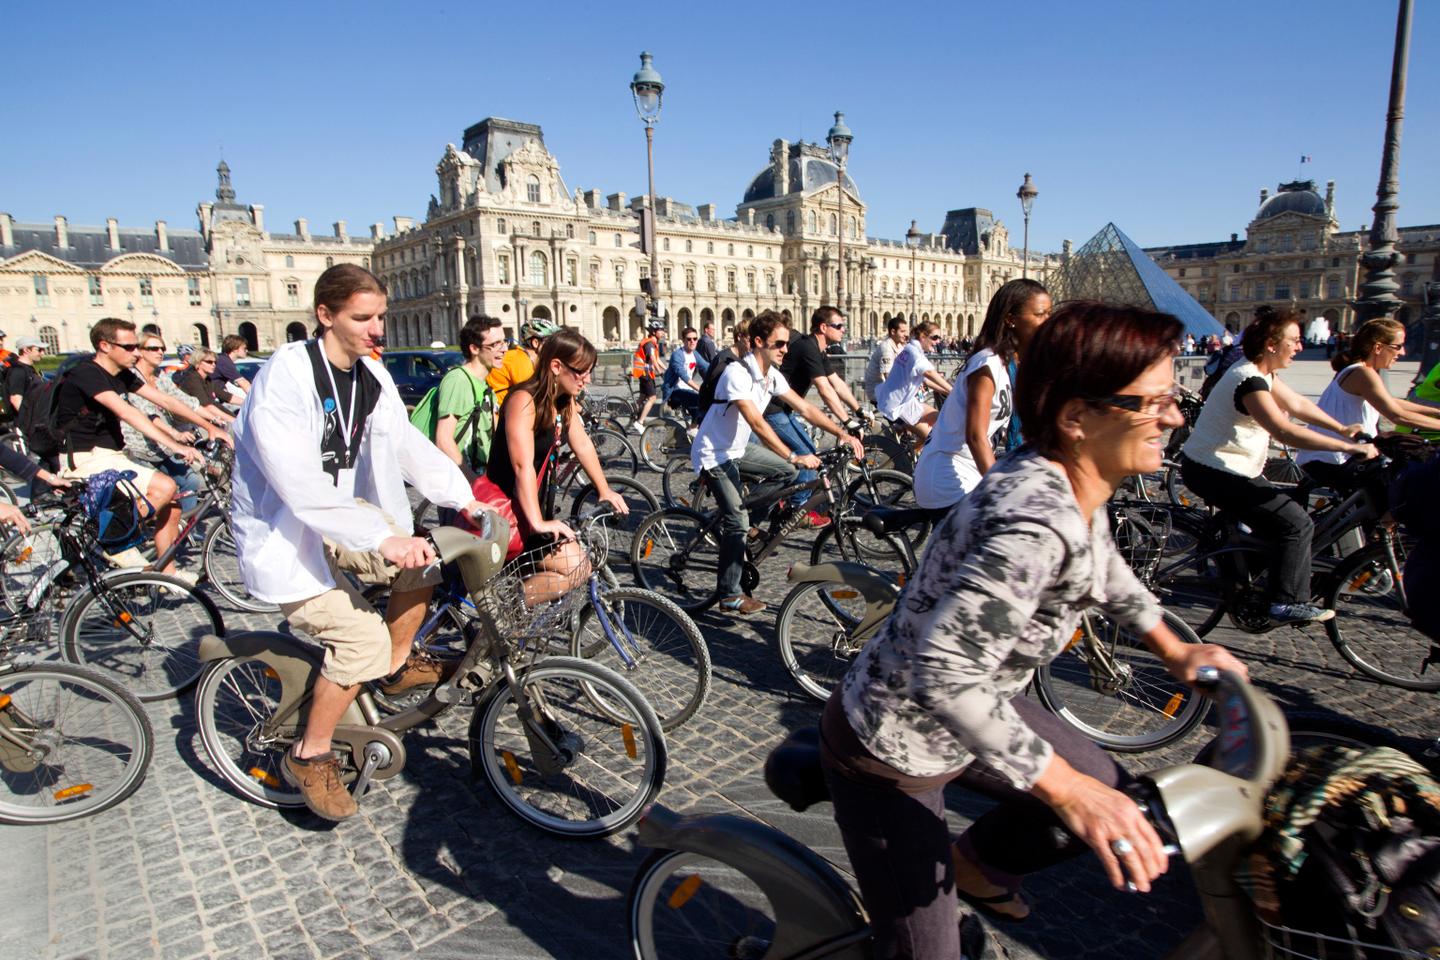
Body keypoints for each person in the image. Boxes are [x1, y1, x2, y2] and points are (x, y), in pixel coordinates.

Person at [821, 301, 1248, 959]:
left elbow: (1102, 564)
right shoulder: (1033, 528)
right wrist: (1064, 788)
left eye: (1176, 396)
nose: (1174, 416)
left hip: (978, 707)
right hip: (894, 745)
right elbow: (944, 672)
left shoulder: (1070, 477)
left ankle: (975, 866)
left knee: (1116, 796)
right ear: (1077, 417)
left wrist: (1174, 645)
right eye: (1152, 402)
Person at [231, 264, 489, 821]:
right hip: (286, 531)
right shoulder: (288, 376)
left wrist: (463, 497)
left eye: (382, 317)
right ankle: (310, 753)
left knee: (426, 560)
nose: (378, 330)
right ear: (325, 316)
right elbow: (296, 482)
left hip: (341, 519)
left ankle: (393, 665)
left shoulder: (370, 376)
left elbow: (407, 445)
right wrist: (381, 537)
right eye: (363, 318)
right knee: (357, 638)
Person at [1181, 305, 1377, 625]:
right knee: (1296, 523)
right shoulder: (1249, 381)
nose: (1300, 347)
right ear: (1272, 344)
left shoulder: (1262, 372)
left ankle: (1256, 580)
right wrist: (1348, 446)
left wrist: (1341, 428)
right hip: (1214, 470)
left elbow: (1297, 404)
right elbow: (1284, 430)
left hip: (1230, 465)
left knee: (1278, 519)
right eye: (1294, 340)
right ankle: (1286, 601)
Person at [689, 310, 863, 616]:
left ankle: (748, 524)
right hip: (713, 453)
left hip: (738, 450)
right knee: (740, 517)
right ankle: (730, 593)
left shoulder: (771, 375)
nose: (786, 349)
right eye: (779, 344)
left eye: (786, 343)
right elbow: (757, 423)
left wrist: (841, 432)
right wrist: (793, 453)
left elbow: (805, 407)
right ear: (758, 342)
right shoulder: (737, 373)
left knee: (788, 474)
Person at [53, 318, 227, 572]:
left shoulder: (121, 375)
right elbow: (128, 413)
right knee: (166, 486)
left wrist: (212, 427)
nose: (136, 352)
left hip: (112, 454)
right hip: (85, 457)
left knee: (173, 506)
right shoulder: (87, 374)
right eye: (129, 347)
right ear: (104, 346)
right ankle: (110, 538)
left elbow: (167, 401)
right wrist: (176, 445)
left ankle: (167, 574)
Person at [486, 328, 629, 603]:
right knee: (578, 568)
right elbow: (521, 466)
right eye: (582, 372)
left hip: (532, 505)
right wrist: (538, 522)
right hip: (509, 509)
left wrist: (604, 490)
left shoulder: (562, 401)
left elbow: (583, 444)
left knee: (580, 568)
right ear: (556, 366)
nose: (587, 380)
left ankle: (511, 610)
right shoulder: (522, 400)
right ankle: (504, 616)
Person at [913, 279, 1050, 510]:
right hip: (948, 475)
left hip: (970, 470)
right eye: (1040, 314)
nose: (1048, 322)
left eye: (1049, 313)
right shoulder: (987, 364)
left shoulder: (1009, 364)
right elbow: (975, 436)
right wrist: (999, 492)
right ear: (1011, 319)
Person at [1296, 318, 1440, 487]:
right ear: (1378, 347)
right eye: (1398, 346)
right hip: (1335, 459)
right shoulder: (1363, 373)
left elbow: (1390, 402)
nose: (1402, 353)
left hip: (1335, 455)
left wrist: (1437, 412)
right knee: (1406, 491)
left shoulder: (1359, 370)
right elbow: (1396, 415)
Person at [763, 306, 865, 523]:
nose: (843, 330)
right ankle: (797, 510)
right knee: (808, 451)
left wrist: (858, 410)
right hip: (773, 410)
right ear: (823, 327)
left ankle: (788, 499)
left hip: (785, 409)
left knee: (806, 450)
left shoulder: (818, 349)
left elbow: (836, 382)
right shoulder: (808, 347)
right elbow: (824, 389)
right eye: (838, 326)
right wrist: (846, 422)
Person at [122, 332, 209, 514]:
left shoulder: (160, 376)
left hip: (161, 446)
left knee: (190, 481)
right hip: (137, 448)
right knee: (161, 489)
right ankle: (137, 531)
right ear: (140, 351)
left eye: (162, 348)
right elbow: (149, 414)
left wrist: (216, 422)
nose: (160, 352)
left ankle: (181, 528)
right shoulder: (131, 377)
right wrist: (175, 434)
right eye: (153, 348)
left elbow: (185, 401)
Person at [433, 315, 505, 479]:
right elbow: (443, 440)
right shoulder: (458, 380)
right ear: (474, 348)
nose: (504, 349)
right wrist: (473, 481)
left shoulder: (484, 384)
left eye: (504, 341)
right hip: (462, 486)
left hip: (480, 479)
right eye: (495, 344)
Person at [875, 320, 953, 447]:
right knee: (933, 438)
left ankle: (911, 451)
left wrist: (947, 391)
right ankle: (912, 461)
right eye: (935, 337)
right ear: (922, 336)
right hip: (897, 407)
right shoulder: (914, 353)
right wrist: (953, 391)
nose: (938, 341)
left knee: (940, 418)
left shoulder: (911, 349)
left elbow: (926, 380)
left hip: (903, 402)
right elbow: (929, 373)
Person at [488, 317, 559, 407]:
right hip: (500, 415)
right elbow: (535, 395)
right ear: (536, 343)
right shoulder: (518, 359)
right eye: (552, 342)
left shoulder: (523, 357)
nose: (556, 346)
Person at [174, 348, 236, 425]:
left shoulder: (207, 379)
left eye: (215, 362)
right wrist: (234, 421)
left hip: (205, 419)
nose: (213, 365)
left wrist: (248, 401)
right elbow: (207, 406)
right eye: (209, 362)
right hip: (189, 424)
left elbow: (226, 396)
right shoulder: (192, 379)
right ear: (198, 363)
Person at [662, 326, 709, 424]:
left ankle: (694, 430)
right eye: (689, 339)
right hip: (674, 391)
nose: (692, 341)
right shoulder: (677, 355)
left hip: (687, 390)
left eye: (695, 339)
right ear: (683, 340)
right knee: (700, 401)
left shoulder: (695, 354)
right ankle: (692, 429)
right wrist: (699, 389)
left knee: (705, 409)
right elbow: (683, 375)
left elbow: (707, 367)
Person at [862, 317, 909, 406]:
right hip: (879, 391)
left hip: (889, 388)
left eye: (906, 331)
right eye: (902, 331)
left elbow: (906, 366)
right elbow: (888, 375)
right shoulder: (886, 347)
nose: (905, 335)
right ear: (893, 332)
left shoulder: (900, 346)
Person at [631, 319, 666, 432]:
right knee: (652, 398)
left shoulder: (652, 343)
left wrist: (667, 369)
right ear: (654, 331)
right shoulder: (650, 344)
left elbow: (657, 360)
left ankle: (633, 416)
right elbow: (653, 360)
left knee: (642, 397)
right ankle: (640, 422)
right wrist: (660, 373)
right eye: (660, 330)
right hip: (645, 374)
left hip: (644, 373)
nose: (663, 332)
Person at [3, 336, 46, 417]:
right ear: (26, 350)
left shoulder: (29, 369)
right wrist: (30, 419)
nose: (43, 353)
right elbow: (15, 399)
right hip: (26, 424)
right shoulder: (18, 371)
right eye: (39, 350)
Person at [208, 335, 253, 403]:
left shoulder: (223, 359)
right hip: (209, 399)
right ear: (235, 349)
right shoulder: (224, 362)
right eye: (244, 348)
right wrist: (255, 398)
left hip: (216, 396)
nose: (247, 350)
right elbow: (243, 383)